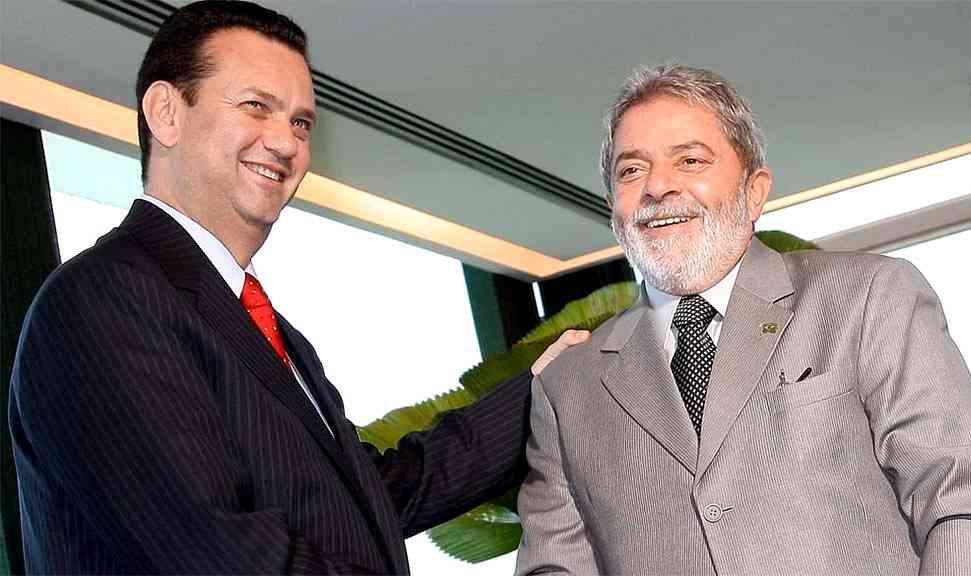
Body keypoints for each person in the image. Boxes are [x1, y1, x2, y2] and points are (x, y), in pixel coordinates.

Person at [8, 1, 585, 573]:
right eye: (256, 106)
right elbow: (224, 558)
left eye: (301, 123)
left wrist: (545, 390)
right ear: (166, 112)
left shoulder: (263, 325)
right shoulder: (102, 300)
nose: (286, 144)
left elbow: (373, 498)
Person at [515, 64, 971, 575]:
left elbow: (961, 498)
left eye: (690, 160)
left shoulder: (869, 296)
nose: (658, 186)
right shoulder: (566, 387)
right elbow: (553, 567)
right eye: (631, 170)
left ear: (754, 190)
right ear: (613, 208)